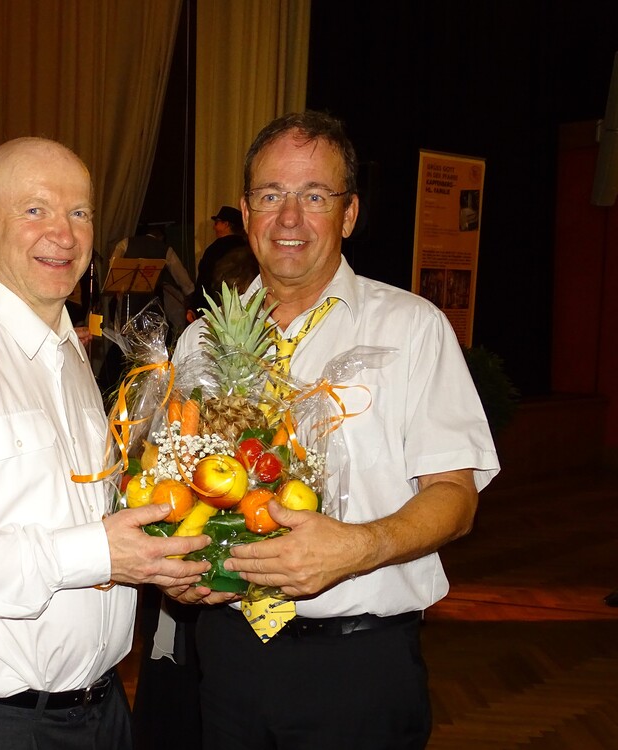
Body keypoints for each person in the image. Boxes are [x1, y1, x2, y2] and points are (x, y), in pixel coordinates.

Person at [160, 111, 500, 749]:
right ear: (246, 212)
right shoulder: (200, 343)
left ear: (348, 214)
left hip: (358, 667)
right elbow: (179, 488)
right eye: (271, 195)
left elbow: (455, 497)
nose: (289, 218)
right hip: (227, 656)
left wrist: (356, 548)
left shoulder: (411, 329)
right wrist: (178, 562)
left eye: (314, 196)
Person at [0, 137, 210, 749]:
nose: (65, 234)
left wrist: (154, 560)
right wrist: (98, 553)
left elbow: (81, 516)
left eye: (79, 212)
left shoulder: (70, 353)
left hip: (103, 707)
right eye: (35, 210)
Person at [189, 205, 248, 315]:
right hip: (245, 307)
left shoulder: (214, 249)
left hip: (216, 309)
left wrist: (195, 307)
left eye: (217, 223)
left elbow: (204, 281)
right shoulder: (248, 248)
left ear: (226, 224)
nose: (214, 227)